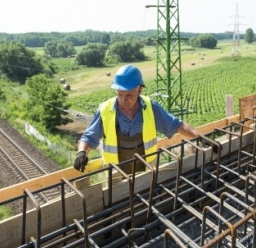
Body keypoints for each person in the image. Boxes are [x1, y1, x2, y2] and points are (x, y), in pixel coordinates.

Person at [73, 64, 205, 175]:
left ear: (140, 90)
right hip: (116, 174)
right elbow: (89, 137)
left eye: (129, 94)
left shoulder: (151, 108)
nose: (124, 99)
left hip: (147, 171)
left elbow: (177, 125)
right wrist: (81, 152)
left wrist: (200, 137)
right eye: (120, 94)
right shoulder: (105, 110)